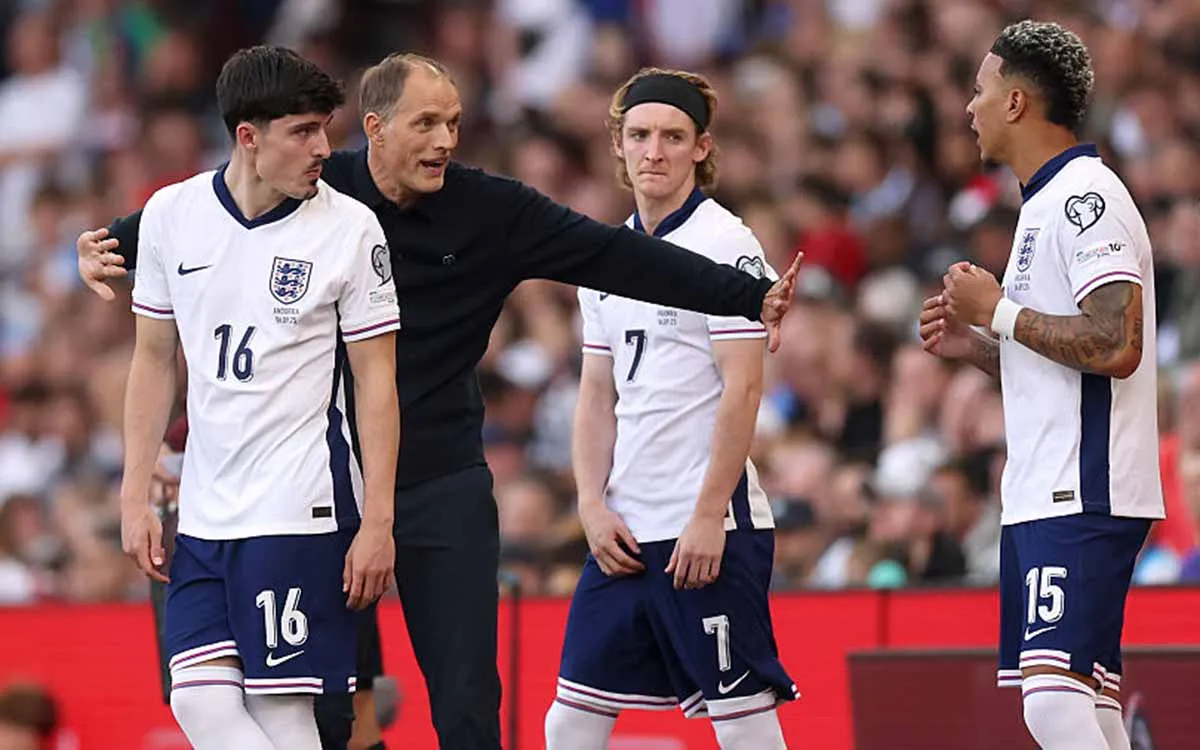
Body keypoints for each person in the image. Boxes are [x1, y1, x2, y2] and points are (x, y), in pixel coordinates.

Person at [79, 52, 802, 749]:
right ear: (375, 127)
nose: (445, 141)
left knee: (464, 702)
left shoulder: (488, 210)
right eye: (425, 123)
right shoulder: (322, 195)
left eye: (453, 122)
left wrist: (745, 294)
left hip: (438, 478)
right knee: (325, 708)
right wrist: (110, 241)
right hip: (326, 485)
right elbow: (216, 222)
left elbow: (615, 257)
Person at [118, 46, 401, 750]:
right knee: (198, 702)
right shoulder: (170, 215)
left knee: (281, 716)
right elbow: (154, 360)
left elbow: (376, 384)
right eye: (303, 132)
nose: (323, 149)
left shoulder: (349, 228)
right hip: (207, 507)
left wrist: (378, 521)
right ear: (248, 136)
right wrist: (132, 492)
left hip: (299, 508)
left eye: (325, 129)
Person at [920, 20, 1164, 750]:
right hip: (1043, 488)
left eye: (980, 90)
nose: (970, 108)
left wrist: (996, 309)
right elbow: (1063, 358)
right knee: (1086, 709)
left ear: (1018, 103)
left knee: (1051, 708)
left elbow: (1118, 344)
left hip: (1083, 488)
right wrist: (980, 346)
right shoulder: (1040, 204)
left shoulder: (1088, 199)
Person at [544, 68, 796, 750]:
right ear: (618, 147)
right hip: (627, 529)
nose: (653, 150)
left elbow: (744, 389)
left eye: (672, 136)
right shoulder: (605, 254)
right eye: (640, 135)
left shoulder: (727, 244)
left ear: (701, 148)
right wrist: (591, 505)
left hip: (705, 522)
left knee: (743, 725)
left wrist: (709, 514)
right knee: (567, 722)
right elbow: (597, 393)